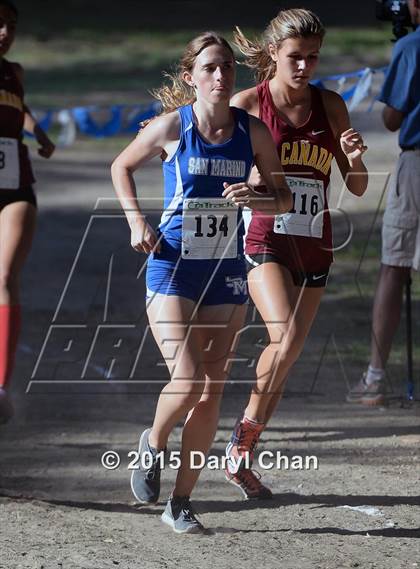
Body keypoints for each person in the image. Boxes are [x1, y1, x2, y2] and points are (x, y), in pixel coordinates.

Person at [111, 31, 291, 533]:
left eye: (228, 68)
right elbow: (120, 166)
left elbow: (283, 199)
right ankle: (153, 442)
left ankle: (181, 501)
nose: (221, 76)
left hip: (225, 272)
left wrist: (257, 200)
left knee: (211, 392)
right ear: (191, 78)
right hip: (172, 266)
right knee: (187, 380)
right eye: (210, 68)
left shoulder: (252, 133)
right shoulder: (173, 126)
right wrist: (135, 221)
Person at [223, 8, 368, 499]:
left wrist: (353, 157)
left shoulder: (332, 105)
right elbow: (215, 163)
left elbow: (360, 186)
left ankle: (241, 450)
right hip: (265, 237)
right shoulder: (248, 104)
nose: (304, 67)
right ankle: (236, 447)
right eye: (294, 58)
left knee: (288, 356)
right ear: (272, 56)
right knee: (282, 336)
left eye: (312, 57)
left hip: (315, 242)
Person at [347, 0, 420, 406]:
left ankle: (375, 377)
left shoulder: (410, 48)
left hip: (417, 167)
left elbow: (392, 119)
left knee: (394, 266)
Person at [0, 0, 55, 423]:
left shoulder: (14, 73)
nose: (5, 32)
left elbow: (21, 109)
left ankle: (0, 387)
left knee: (4, 277)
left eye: (11, 25)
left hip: (16, 185)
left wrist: (39, 134)